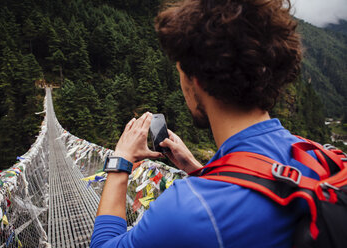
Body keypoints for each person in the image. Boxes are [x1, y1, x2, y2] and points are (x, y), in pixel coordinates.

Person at [91, 0, 317, 247]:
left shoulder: (188, 209)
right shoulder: (318, 156)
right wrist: (196, 168)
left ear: (194, 80)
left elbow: (103, 244)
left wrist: (120, 161)